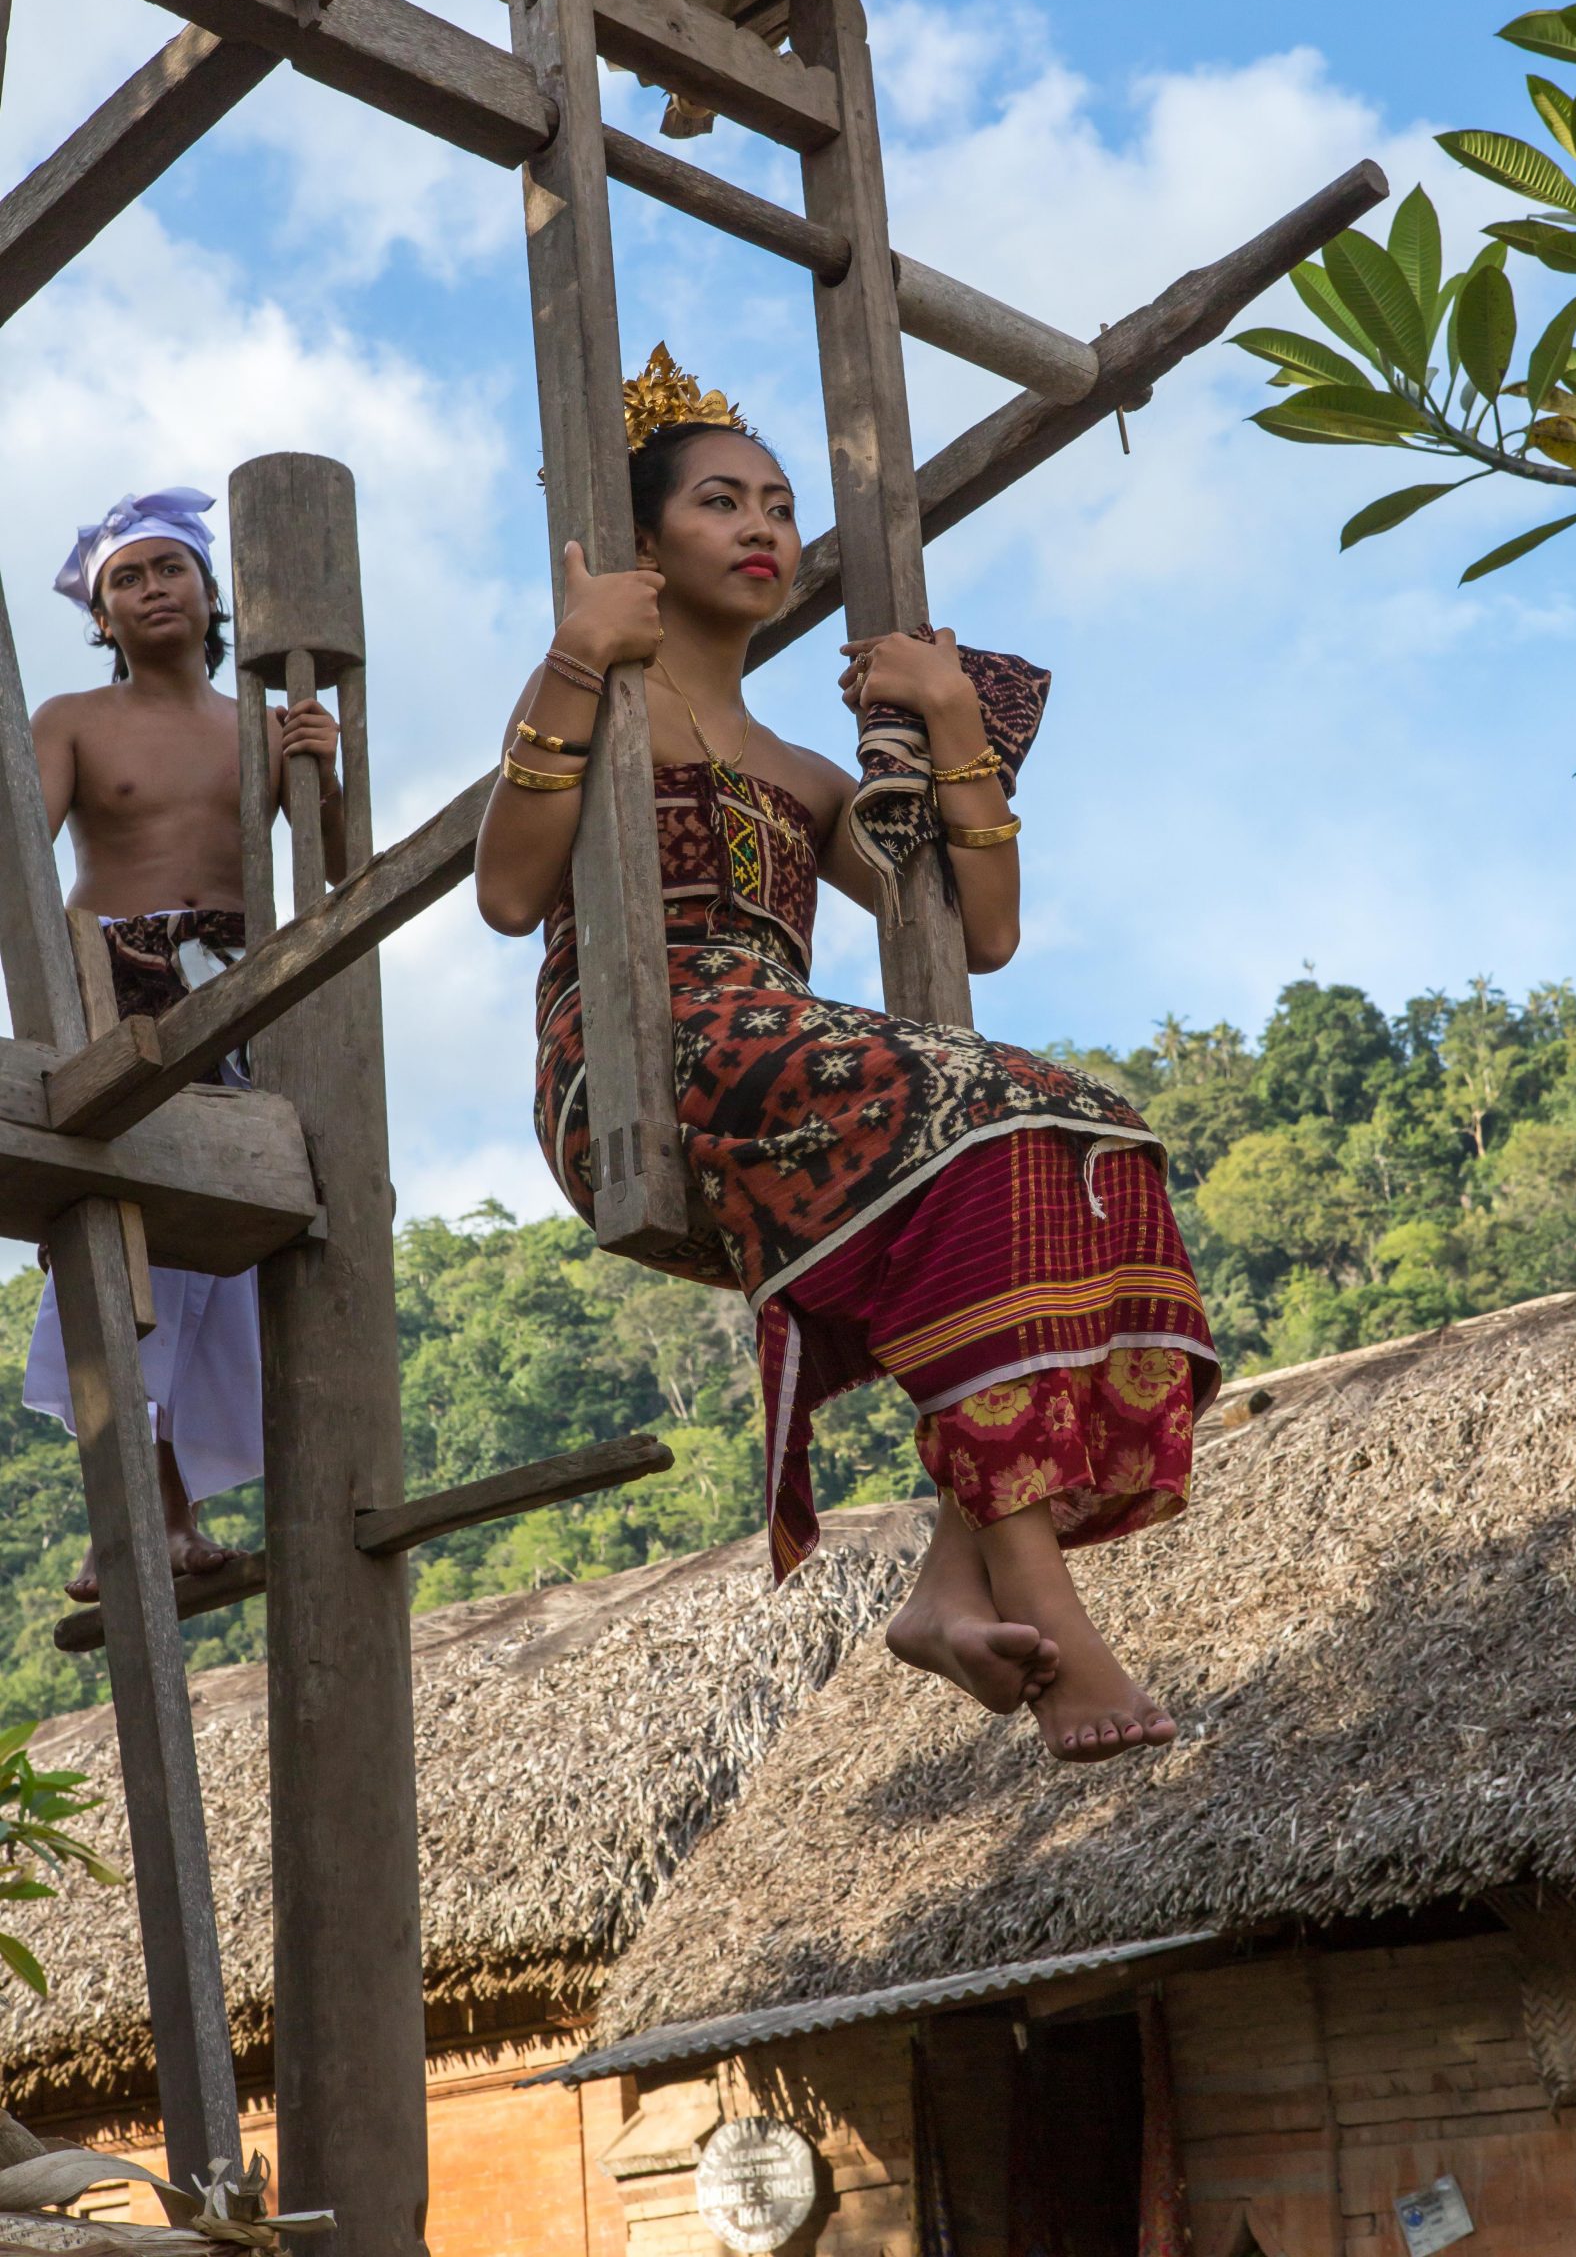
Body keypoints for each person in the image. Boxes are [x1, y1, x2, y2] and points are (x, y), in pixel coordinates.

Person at [475, 350, 1219, 1764]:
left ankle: (949, 1589)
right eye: (718, 502)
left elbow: (979, 935)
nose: (763, 528)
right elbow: (510, 896)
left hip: (804, 1071)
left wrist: (948, 726)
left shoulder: (810, 773)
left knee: (1082, 1127)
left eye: (775, 504)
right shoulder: (593, 705)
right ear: (642, 543)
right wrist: (575, 659)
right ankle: (1042, 1606)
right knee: (985, 1108)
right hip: (642, 1058)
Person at [25, 488, 343, 1600]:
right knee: (125, 1234)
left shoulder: (263, 726)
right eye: (128, 578)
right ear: (101, 615)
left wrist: (321, 768)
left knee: (226, 1252)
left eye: (170, 569)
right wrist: (45, 1023)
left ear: (212, 592)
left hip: (247, 986)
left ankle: (179, 1515)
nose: (152, 589)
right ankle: (129, 1518)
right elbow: (21, 870)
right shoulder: (70, 718)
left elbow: (333, 870)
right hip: (120, 986)